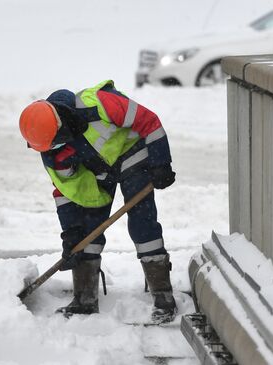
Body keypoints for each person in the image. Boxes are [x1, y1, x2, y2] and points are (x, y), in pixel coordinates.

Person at [18, 80, 177, 323]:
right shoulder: (51, 150)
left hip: (133, 154)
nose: (58, 148)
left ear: (62, 124)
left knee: (142, 225)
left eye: (58, 141)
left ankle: (163, 295)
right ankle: (84, 299)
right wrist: (71, 233)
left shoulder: (101, 103)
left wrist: (160, 162)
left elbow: (149, 121)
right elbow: (66, 192)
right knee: (87, 230)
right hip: (99, 172)